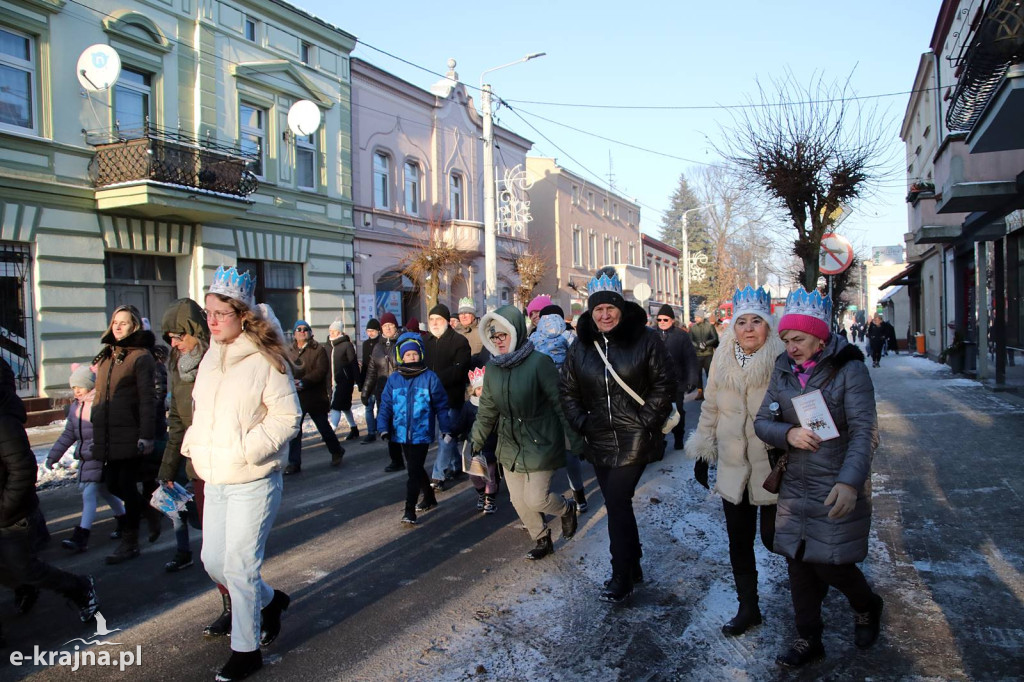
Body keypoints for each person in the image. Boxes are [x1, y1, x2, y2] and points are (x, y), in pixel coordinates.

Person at [181, 265, 301, 681]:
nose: (211, 321)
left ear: (243, 314)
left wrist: (249, 449)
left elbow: (288, 417)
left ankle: (246, 650)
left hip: (253, 479)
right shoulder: (212, 356)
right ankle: (270, 602)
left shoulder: (266, 358)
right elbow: (203, 410)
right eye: (208, 312)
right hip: (215, 477)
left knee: (240, 568)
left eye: (220, 314)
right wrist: (196, 443)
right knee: (213, 561)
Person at [754, 288, 882, 669]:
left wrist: (850, 482)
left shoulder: (849, 371)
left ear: (820, 338)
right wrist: (787, 434)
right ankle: (808, 638)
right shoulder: (782, 370)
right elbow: (762, 422)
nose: (791, 347)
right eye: (787, 339)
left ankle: (866, 606)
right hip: (795, 483)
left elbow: (865, 432)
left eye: (799, 340)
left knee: (831, 563)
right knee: (797, 561)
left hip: (835, 481)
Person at [560, 272, 675, 603]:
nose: (605, 315)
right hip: (598, 437)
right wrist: (581, 421)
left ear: (621, 309)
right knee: (617, 504)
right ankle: (633, 562)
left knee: (617, 501)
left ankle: (621, 574)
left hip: (635, 437)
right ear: (591, 313)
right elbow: (567, 389)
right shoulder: (581, 346)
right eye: (598, 310)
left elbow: (665, 383)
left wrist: (644, 421)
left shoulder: (646, 340)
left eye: (610, 308)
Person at [685, 286, 785, 636]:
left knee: (777, 540)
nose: (748, 328)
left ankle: (811, 595)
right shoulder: (721, 359)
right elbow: (711, 406)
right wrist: (703, 448)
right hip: (732, 466)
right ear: (733, 327)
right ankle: (749, 608)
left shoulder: (781, 361)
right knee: (739, 542)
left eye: (756, 321)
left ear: (768, 326)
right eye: (741, 322)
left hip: (773, 469)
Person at [0, 358, 100, 645]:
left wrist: (6, 509)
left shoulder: (4, 421)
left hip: (11, 513)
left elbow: (22, 470)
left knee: (24, 568)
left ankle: (79, 588)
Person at [471, 305, 581, 561]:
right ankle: (541, 538)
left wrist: (574, 440)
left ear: (516, 331)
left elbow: (560, 404)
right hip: (509, 442)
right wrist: (474, 441)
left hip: (540, 439)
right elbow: (487, 411)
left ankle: (566, 509)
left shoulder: (539, 363)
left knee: (536, 500)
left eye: (503, 335)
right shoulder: (494, 369)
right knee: (518, 501)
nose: (498, 341)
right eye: (494, 336)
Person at [158, 298, 234, 639]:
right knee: (212, 548)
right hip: (197, 466)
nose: (173, 344)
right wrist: (167, 469)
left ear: (194, 331)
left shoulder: (220, 357)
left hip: (228, 464)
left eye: (177, 336)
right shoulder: (176, 365)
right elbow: (177, 421)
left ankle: (244, 606)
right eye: (170, 338)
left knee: (231, 547)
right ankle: (230, 603)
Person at [92, 303, 156, 565]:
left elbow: (147, 399)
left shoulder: (140, 356)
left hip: (130, 432)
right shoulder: (107, 354)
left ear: (135, 327)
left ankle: (130, 542)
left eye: (124, 322)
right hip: (108, 433)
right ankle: (149, 513)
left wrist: (146, 434)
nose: (118, 327)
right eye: (115, 322)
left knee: (125, 485)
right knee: (111, 483)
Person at [45, 365, 126, 554]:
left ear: (90, 385)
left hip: (98, 457)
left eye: (80, 386)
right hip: (86, 458)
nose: (77, 390)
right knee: (105, 491)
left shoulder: (98, 404)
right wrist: (53, 456)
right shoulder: (75, 407)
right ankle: (124, 520)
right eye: (74, 387)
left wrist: (99, 448)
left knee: (89, 495)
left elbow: (108, 431)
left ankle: (82, 536)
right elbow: (68, 435)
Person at [376, 332, 452, 525]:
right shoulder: (394, 379)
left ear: (421, 354)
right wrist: (383, 427)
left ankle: (409, 510)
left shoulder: (429, 378)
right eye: (408, 355)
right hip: (401, 432)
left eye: (415, 354)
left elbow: (441, 406)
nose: (412, 357)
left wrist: (446, 428)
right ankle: (430, 497)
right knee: (415, 468)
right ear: (401, 356)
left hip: (421, 432)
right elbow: (385, 405)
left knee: (413, 471)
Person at [530, 303, 588, 513]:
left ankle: (541, 500)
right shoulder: (570, 337)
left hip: (541, 401)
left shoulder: (532, 339)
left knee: (542, 453)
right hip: (566, 398)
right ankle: (579, 494)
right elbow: (581, 366)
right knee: (570, 450)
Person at [286, 320, 345, 474]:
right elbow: (285, 369)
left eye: (305, 329)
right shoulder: (289, 350)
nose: (302, 331)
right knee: (295, 431)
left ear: (310, 333)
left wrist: (304, 382)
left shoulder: (318, 349)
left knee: (323, 427)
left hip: (315, 397)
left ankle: (336, 450)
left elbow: (321, 370)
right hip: (296, 397)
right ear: (294, 333)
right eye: (298, 329)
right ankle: (294, 463)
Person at [424, 304, 471, 490]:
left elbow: (460, 369)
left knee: (447, 436)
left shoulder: (459, 341)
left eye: (439, 320)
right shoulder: (425, 342)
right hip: (431, 399)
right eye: (432, 320)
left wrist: (434, 381)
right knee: (442, 435)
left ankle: (438, 475)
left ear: (447, 322)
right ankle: (455, 465)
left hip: (451, 398)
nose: (435, 323)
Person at [653, 304, 700, 451]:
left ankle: (678, 437)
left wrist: (692, 380)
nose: (661, 322)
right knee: (657, 413)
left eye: (665, 319)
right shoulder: (650, 334)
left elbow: (690, 359)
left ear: (672, 320)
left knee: (677, 412)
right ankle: (659, 441)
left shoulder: (681, 336)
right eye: (659, 319)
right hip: (655, 383)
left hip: (676, 382)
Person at [452, 367, 499, 514]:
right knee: (474, 475)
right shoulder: (468, 406)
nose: (482, 391)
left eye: (485, 388)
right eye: (479, 388)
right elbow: (461, 423)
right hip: (473, 447)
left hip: (491, 445)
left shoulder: (494, 404)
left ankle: (490, 501)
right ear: (473, 390)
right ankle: (481, 494)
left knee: (490, 476)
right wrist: (451, 432)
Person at [363, 312, 404, 471]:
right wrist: (366, 391)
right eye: (385, 326)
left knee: (403, 426)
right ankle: (396, 460)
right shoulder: (378, 347)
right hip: (384, 394)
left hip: (401, 392)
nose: (387, 328)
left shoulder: (403, 342)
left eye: (390, 325)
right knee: (389, 427)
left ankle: (411, 458)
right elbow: (372, 372)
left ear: (396, 326)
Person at [327, 320, 360, 441]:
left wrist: (358, 381)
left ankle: (330, 433)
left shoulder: (346, 345)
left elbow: (353, 363)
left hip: (345, 381)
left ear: (339, 332)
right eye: (330, 331)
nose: (332, 333)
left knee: (336, 406)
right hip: (333, 381)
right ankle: (354, 429)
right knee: (345, 407)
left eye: (334, 331)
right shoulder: (330, 345)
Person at [359, 319, 382, 443]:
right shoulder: (366, 344)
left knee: (379, 407)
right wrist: (361, 383)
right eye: (368, 331)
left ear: (378, 330)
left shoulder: (381, 342)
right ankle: (370, 432)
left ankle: (380, 429)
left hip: (379, 380)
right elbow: (364, 365)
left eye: (372, 331)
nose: (370, 333)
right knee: (368, 407)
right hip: (368, 380)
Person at [690, 308, 720, 396]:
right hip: (697, 354)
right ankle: (700, 392)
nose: (695, 319)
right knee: (697, 374)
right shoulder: (693, 327)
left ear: (702, 318)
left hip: (708, 354)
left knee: (710, 374)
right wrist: (698, 345)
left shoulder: (709, 326)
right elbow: (690, 340)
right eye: (695, 317)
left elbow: (715, 338)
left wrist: (705, 344)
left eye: (697, 317)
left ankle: (711, 392)